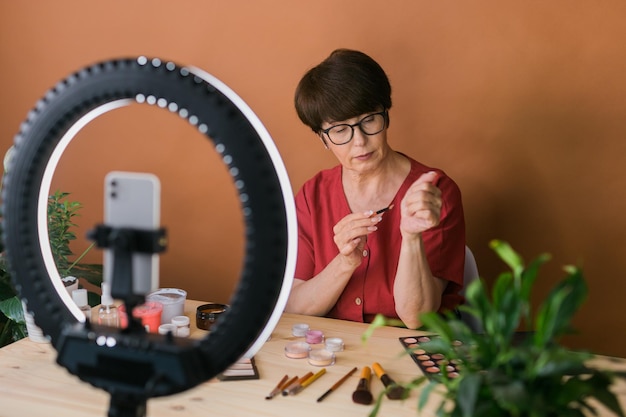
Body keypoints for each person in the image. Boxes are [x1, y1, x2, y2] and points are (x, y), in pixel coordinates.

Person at [284, 49, 466, 329]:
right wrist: (344, 263)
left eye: (369, 120)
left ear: (386, 115)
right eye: (340, 130)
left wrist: (411, 238)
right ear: (323, 138)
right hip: (336, 350)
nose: (359, 142)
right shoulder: (313, 195)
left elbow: (417, 317)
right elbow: (297, 307)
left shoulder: (434, 192)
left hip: (415, 352)